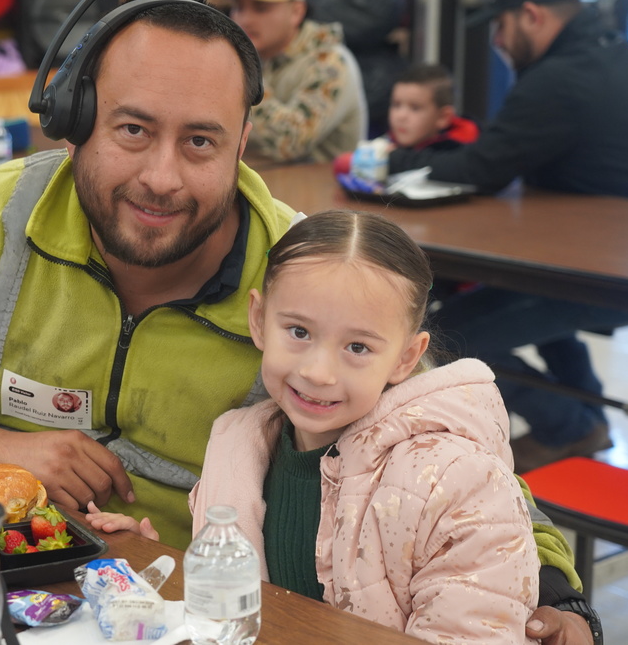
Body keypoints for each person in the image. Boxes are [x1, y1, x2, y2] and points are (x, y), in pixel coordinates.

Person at [0, 0, 598, 644]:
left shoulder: (305, 282)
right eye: (132, 129)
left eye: (201, 142)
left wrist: (560, 593)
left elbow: (446, 446)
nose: (162, 178)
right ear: (76, 122)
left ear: (244, 140)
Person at [89, 209, 541, 643]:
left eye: (358, 347)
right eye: (300, 332)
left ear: (406, 357)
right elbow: (244, 617)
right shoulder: (237, 446)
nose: (319, 372)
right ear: (260, 321)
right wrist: (164, 572)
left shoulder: (457, 482)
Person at [388, 0, 628, 473]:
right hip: (620, 265)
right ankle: (588, 420)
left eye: (501, 26)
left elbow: (480, 167)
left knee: (439, 340)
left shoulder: (558, 78)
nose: (499, 41)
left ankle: (570, 428)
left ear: (530, 15)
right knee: (542, 321)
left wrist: (389, 160)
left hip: (587, 273)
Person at [214, 0, 367, 163]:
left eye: (261, 8)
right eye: (238, 7)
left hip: (317, 192)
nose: (244, 19)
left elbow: (290, 141)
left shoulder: (331, 63)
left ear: (296, 12)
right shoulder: (256, 54)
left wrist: (243, 75)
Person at [333, 62, 479, 176]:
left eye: (415, 108)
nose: (401, 116)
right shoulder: (387, 143)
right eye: (396, 105)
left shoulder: (461, 154)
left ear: (443, 117)